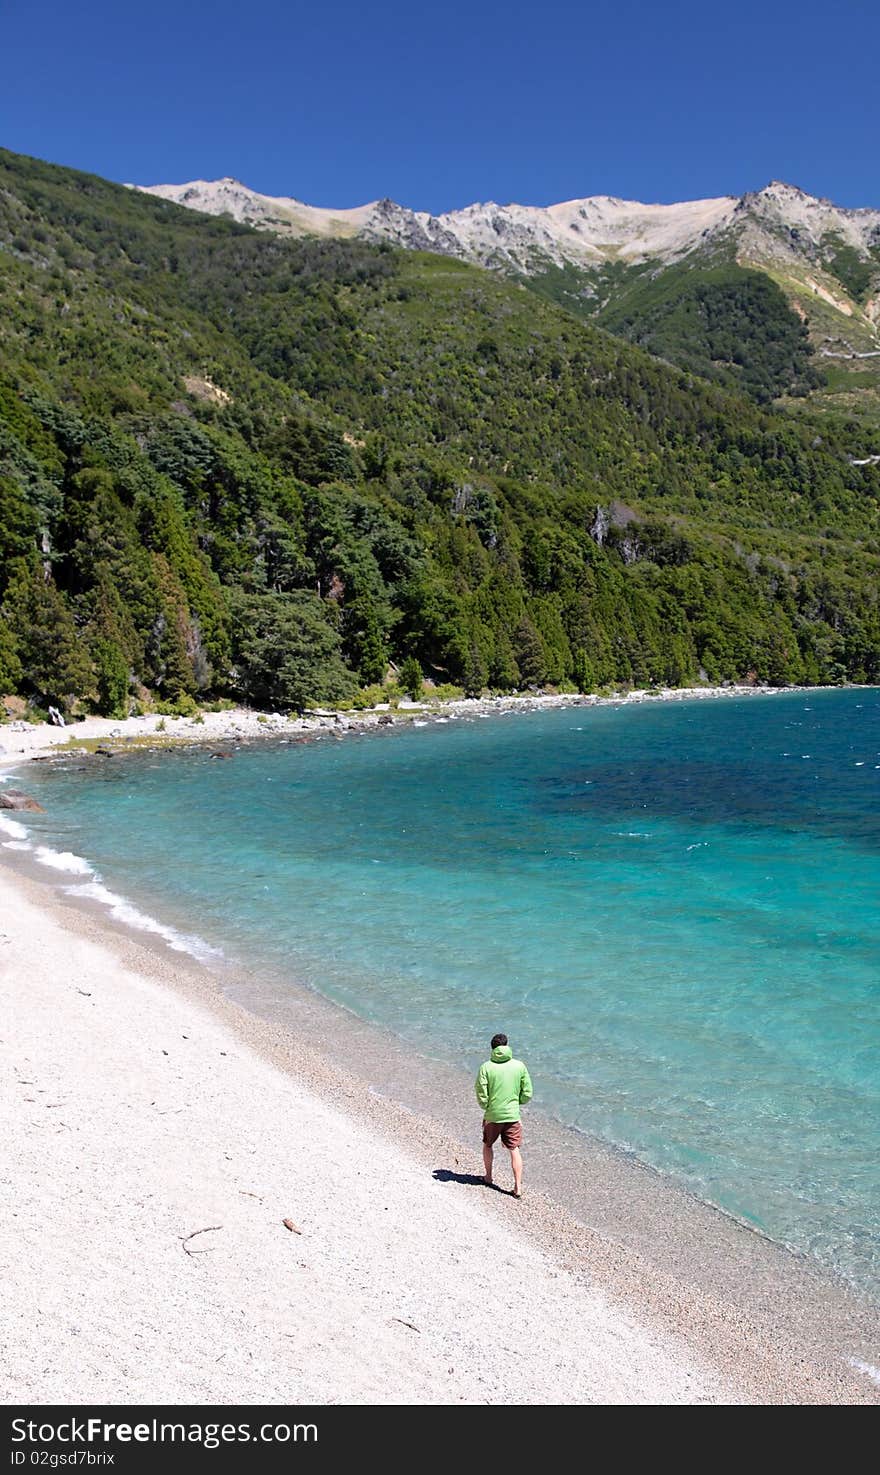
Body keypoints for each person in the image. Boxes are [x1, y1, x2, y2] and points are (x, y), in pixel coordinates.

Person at [475, 1033, 533, 1198]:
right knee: (514, 1149)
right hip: (512, 1115)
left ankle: (488, 1177)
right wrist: (517, 1102)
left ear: (492, 1048)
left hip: (492, 1114)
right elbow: (527, 1092)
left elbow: (481, 1091)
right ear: (507, 1046)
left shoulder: (486, 1067)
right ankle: (517, 1188)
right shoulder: (519, 1066)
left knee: (487, 1145)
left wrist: (486, 1106)